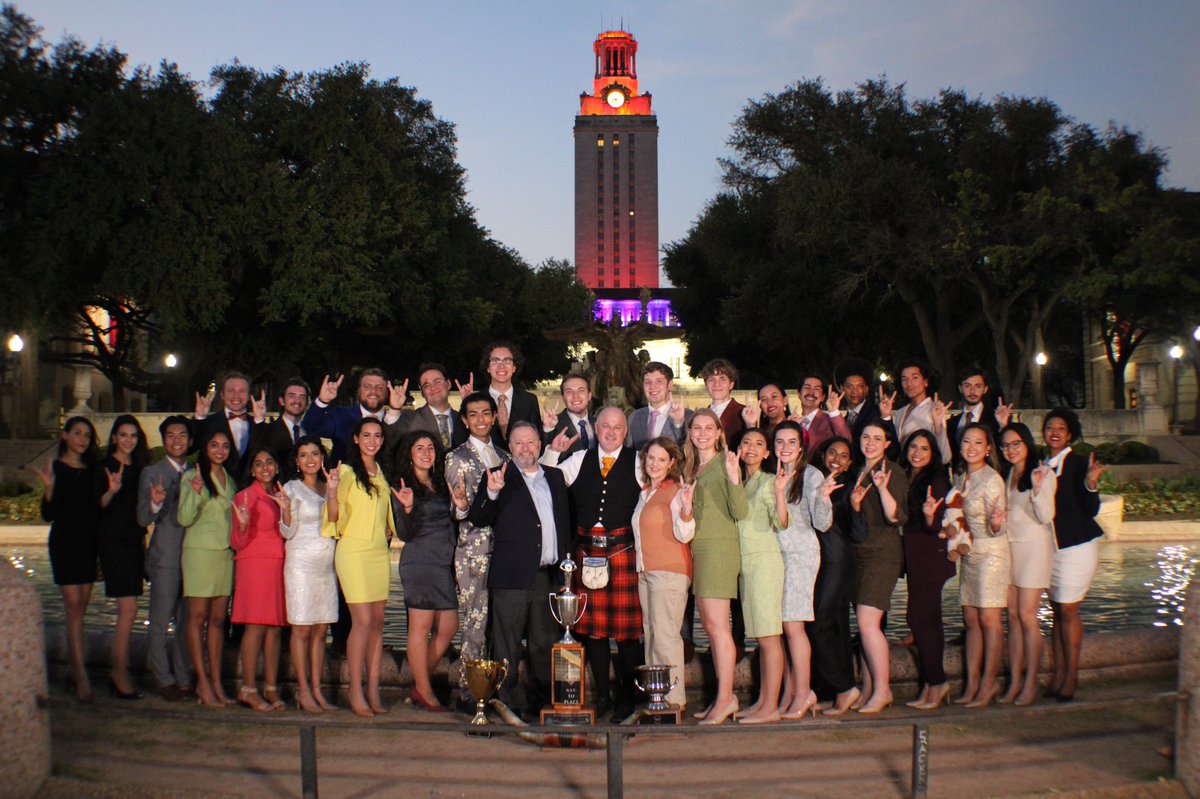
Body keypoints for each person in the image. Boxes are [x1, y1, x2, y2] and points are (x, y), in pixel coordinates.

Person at [544, 407, 647, 721]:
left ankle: (628, 699)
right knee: (595, 634)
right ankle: (603, 696)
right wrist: (551, 451)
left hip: (623, 554)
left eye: (618, 427)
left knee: (628, 636)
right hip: (586, 553)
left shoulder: (640, 462)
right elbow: (545, 478)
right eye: (605, 426)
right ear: (596, 429)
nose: (611, 432)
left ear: (625, 432)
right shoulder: (579, 460)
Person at [467, 422, 571, 719]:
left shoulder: (555, 476)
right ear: (509, 447)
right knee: (507, 645)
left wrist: (567, 572)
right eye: (518, 443)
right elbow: (479, 517)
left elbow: (563, 523)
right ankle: (507, 704)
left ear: (540, 444)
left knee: (544, 644)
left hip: (548, 576)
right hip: (511, 576)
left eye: (531, 442)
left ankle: (542, 704)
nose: (526, 449)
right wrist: (492, 491)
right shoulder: (499, 475)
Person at [322, 417, 396, 717]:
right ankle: (354, 690)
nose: (372, 440)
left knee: (378, 624)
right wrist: (331, 491)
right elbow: (334, 515)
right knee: (362, 622)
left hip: (378, 551)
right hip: (353, 550)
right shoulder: (347, 473)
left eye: (378, 435)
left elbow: (389, 517)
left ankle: (373, 690)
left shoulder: (382, 473)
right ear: (355, 439)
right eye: (366, 435)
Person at [445, 392, 511, 707]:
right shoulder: (456, 457)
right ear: (465, 420)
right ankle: (470, 692)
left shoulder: (504, 454)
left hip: (502, 550)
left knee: (497, 622)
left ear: (495, 416)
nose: (481, 419)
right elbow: (457, 507)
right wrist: (460, 508)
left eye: (486, 413)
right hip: (473, 551)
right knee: (474, 621)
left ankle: (493, 688)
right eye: (474, 414)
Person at [682, 409, 747, 724]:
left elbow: (740, 510)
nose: (703, 433)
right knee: (710, 626)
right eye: (697, 427)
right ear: (691, 431)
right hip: (699, 550)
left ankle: (725, 698)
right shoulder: (693, 465)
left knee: (720, 628)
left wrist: (735, 480)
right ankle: (723, 696)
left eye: (709, 427)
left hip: (719, 550)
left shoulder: (725, 462)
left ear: (719, 432)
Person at [771, 421, 839, 720]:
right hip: (775, 556)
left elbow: (823, 523)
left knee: (794, 627)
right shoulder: (771, 474)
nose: (785, 447)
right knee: (782, 629)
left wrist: (824, 498)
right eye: (780, 442)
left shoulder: (811, 475)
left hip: (800, 554)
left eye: (791, 442)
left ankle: (804, 692)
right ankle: (789, 693)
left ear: (801, 445)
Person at [33, 416, 100, 702]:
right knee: (73, 607)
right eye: (77, 433)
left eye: (87, 434)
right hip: (64, 543)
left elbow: (96, 512)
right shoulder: (56, 469)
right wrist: (49, 488)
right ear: (65, 436)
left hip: (87, 544)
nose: (82, 439)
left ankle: (74, 670)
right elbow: (48, 515)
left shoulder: (92, 470)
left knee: (81, 608)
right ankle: (82, 677)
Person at [391, 431, 460, 713]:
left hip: (443, 563)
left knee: (449, 626)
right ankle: (427, 693)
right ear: (409, 453)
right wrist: (406, 509)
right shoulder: (404, 486)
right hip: (419, 562)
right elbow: (404, 534)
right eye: (419, 448)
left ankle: (420, 685)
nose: (425, 452)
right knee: (420, 628)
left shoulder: (442, 483)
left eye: (430, 447)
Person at [941, 424, 1007, 708]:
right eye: (966, 442)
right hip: (968, 554)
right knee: (970, 622)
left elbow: (998, 525)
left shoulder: (993, 480)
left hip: (991, 552)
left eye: (978, 443)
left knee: (989, 621)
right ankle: (972, 684)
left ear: (988, 448)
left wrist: (995, 525)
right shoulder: (960, 477)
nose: (971, 447)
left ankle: (988, 684)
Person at [1042, 408, 1106, 702]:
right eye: (1050, 427)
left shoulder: (1080, 464)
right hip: (1049, 550)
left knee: (1068, 610)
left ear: (1070, 435)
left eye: (1061, 428)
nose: (1054, 432)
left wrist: (1091, 484)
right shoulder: (1040, 464)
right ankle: (1057, 675)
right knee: (1056, 612)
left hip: (1076, 547)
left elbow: (1091, 509)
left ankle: (1071, 677)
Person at [849, 419, 909, 713]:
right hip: (859, 553)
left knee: (867, 623)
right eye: (865, 437)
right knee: (864, 626)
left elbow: (896, 517)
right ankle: (869, 687)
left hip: (882, 553)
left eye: (877, 438)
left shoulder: (892, 471)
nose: (870, 442)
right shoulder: (858, 471)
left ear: (887, 444)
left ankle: (883, 689)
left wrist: (883, 490)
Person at [630, 437, 695, 710]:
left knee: (667, 637)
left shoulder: (676, 491)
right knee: (652, 634)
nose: (654, 463)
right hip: (646, 571)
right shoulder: (645, 492)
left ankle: (674, 701)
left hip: (669, 572)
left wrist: (687, 510)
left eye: (661, 459)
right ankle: (656, 696)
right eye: (651, 458)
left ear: (671, 464)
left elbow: (685, 533)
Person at [177, 430, 237, 708]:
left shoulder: (231, 480)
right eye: (214, 445)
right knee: (197, 616)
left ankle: (215, 681)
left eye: (225, 446)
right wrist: (198, 494)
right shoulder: (193, 476)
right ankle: (201, 682)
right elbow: (184, 517)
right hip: (199, 553)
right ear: (205, 448)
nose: (220, 450)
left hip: (224, 555)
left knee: (217, 619)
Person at [997, 422, 1056, 707]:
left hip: (1034, 548)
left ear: (1027, 444)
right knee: (1013, 616)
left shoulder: (1042, 472)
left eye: (1016, 444)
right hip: (1010, 548)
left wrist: (1037, 489)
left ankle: (1031, 681)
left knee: (1027, 615)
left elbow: (1046, 515)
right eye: (1006, 445)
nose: (1010, 450)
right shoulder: (1008, 474)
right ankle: (1015, 681)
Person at [279, 436, 339, 713]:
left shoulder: (331, 487)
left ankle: (317, 690)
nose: (310, 459)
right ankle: (303, 691)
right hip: (301, 564)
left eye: (315, 453)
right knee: (302, 628)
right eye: (304, 455)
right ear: (297, 461)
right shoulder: (291, 488)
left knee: (321, 630)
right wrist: (284, 511)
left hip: (327, 566)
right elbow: (286, 532)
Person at [137, 415, 195, 701]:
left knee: (186, 622)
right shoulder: (152, 472)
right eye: (170, 435)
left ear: (190, 440)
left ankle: (184, 678)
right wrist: (155, 502)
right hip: (166, 555)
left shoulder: (196, 473)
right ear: (164, 440)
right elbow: (142, 517)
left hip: (193, 557)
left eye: (182, 435)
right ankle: (163, 678)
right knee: (160, 620)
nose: (176, 440)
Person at [730, 428, 785, 724]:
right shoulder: (741, 480)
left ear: (767, 453)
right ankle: (764, 701)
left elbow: (782, 521)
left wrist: (779, 494)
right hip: (746, 566)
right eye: (746, 442)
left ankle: (771, 706)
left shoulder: (767, 481)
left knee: (769, 638)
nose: (751, 448)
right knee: (761, 639)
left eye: (759, 444)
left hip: (763, 564)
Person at [808, 437, 865, 716]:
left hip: (838, 561)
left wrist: (854, 507)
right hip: (819, 562)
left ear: (850, 463)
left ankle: (845, 687)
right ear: (822, 456)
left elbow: (858, 534)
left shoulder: (850, 488)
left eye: (844, 456)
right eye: (832, 452)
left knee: (819, 623)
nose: (837, 459)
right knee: (837, 627)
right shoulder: (814, 482)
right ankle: (833, 691)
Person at [899, 430, 955, 710]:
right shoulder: (907, 475)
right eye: (913, 447)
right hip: (915, 558)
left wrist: (931, 516)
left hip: (931, 558)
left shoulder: (937, 480)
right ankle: (933, 685)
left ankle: (937, 682)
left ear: (933, 453)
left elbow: (941, 523)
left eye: (924, 448)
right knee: (927, 621)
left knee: (921, 620)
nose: (917, 453)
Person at [96, 414, 151, 699]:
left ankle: (119, 672)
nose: (128, 440)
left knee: (129, 610)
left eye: (133, 435)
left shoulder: (140, 468)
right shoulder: (105, 467)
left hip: (133, 542)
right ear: (114, 438)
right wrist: (111, 490)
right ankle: (118, 675)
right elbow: (97, 508)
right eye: (123, 435)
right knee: (127, 611)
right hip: (113, 542)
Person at [229, 446, 288, 712]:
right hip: (254, 566)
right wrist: (241, 524)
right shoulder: (244, 497)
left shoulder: (280, 494)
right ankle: (248, 688)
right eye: (259, 463)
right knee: (255, 627)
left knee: (274, 628)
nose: (265, 467)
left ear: (276, 467)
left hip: (277, 565)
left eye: (270, 462)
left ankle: (272, 687)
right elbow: (237, 542)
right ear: (252, 470)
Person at [302, 368, 402, 464]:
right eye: (367, 386)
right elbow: (310, 428)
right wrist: (322, 401)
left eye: (379, 387)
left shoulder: (396, 421)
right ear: (359, 391)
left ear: (387, 392)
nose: (373, 391)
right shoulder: (340, 416)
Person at [191, 371, 270, 482]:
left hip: (249, 491)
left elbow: (265, 454)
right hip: (214, 489)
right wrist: (199, 417)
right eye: (231, 391)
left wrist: (259, 420)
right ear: (222, 394)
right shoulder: (208, 422)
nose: (236, 396)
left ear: (249, 396)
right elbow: (190, 448)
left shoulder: (258, 424)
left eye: (242, 391)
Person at [884, 360, 952, 463]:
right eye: (904, 379)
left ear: (925, 381)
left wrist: (938, 427)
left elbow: (944, 457)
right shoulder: (900, 412)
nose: (909, 383)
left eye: (915, 377)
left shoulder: (933, 410)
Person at [393, 363, 469, 451]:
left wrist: (470, 405)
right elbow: (391, 440)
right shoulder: (410, 419)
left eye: (437, 382)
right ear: (422, 393)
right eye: (426, 385)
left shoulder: (462, 419)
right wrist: (394, 408)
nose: (433, 388)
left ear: (448, 384)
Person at [481, 341, 541, 450]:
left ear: (514, 367)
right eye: (495, 361)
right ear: (488, 368)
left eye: (507, 361)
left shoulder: (529, 400)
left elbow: (537, 439)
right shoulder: (476, 401)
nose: (501, 366)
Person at [627, 361, 691, 450]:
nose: (652, 386)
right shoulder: (634, 417)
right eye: (648, 382)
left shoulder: (689, 417)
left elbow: (690, 451)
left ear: (670, 385)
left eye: (659, 381)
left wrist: (678, 425)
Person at [793, 376, 852, 455]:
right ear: (799, 394)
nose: (811, 392)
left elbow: (846, 441)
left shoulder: (830, 421)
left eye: (817, 389)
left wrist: (834, 411)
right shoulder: (793, 421)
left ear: (823, 397)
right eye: (807, 387)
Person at [541, 372, 595, 455]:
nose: (575, 396)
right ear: (563, 397)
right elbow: (542, 457)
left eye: (581, 390)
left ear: (589, 395)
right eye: (569, 392)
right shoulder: (552, 426)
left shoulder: (600, 423)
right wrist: (548, 429)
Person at [265, 378, 311, 468]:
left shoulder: (311, 432)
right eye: (292, 396)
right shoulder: (268, 431)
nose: (297, 401)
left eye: (302, 397)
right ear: (281, 401)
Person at [701, 358, 746, 447]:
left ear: (731, 385)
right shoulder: (701, 416)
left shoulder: (743, 413)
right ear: (706, 385)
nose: (716, 384)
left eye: (722, 379)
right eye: (711, 379)